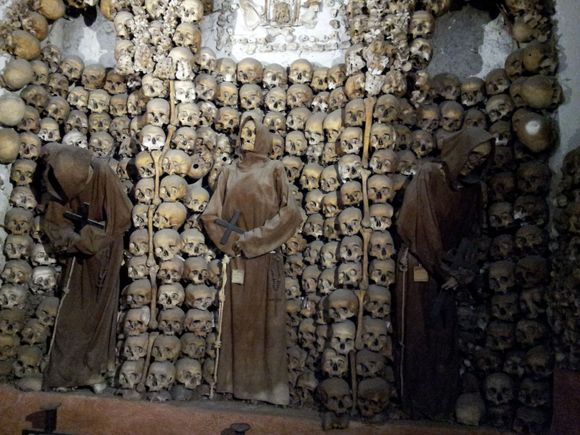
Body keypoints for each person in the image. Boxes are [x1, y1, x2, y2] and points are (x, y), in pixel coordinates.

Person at [201, 115, 303, 405]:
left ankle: (265, 390)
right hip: (237, 260)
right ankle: (235, 385)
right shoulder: (228, 172)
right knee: (238, 324)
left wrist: (254, 240)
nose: (245, 136)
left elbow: (291, 214)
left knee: (266, 326)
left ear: (262, 137)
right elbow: (210, 216)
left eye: (251, 132)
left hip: (264, 260)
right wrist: (233, 243)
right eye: (242, 132)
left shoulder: (275, 170)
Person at [394, 127, 493, 419]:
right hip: (420, 266)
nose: (475, 162)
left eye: (482, 158)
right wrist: (442, 269)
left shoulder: (473, 189)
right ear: (460, 149)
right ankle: (415, 404)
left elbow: (473, 233)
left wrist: (462, 272)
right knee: (416, 336)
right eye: (472, 154)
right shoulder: (428, 176)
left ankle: (440, 403)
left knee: (443, 338)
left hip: (447, 271)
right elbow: (417, 226)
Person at [41, 145, 132, 392]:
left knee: (101, 313)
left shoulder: (102, 173)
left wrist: (92, 239)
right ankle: (64, 373)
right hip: (77, 256)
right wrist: (73, 239)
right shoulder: (59, 181)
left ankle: (94, 372)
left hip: (105, 255)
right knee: (72, 313)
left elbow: (121, 217)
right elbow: (55, 221)